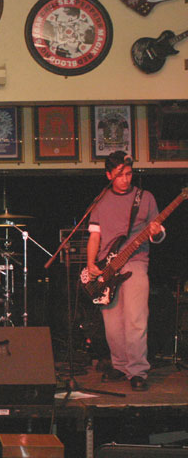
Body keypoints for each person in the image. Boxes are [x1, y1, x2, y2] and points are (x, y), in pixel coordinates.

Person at [86, 151, 165, 391]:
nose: (125, 179)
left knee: (136, 319)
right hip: (108, 266)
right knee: (112, 322)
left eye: (129, 174)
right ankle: (120, 366)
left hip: (136, 262)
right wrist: (91, 263)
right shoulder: (100, 201)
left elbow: (158, 233)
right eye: (120, 175)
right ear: (109, 175)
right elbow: (95, 236)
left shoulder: (146, 198)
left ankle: (137, 371)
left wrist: (156, 232)